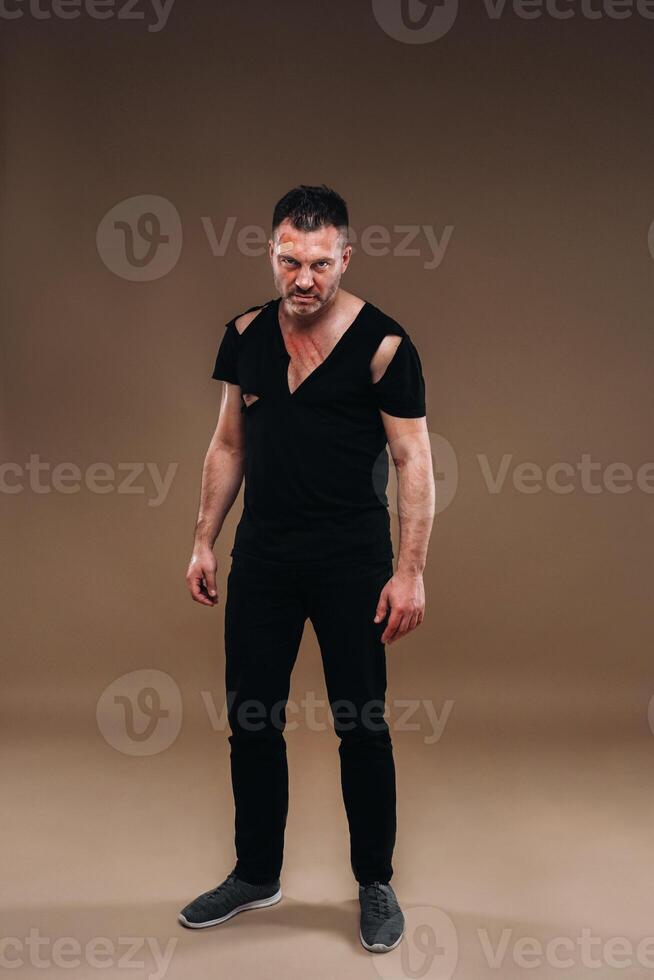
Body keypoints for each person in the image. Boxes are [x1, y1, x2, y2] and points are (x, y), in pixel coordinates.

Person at [178, 184, 435, 953]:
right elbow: (229, 444)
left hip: (352, 559)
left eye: (320, 264)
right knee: (251, 720)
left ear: (345, 257)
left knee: (362, 724)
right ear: (271, 251)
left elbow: (412, 457)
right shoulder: (246, 334)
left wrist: (411, 571)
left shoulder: (385, 344)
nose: (303, 279)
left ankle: (376, 882)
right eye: (290, 260)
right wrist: (203, 541)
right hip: (263, 556)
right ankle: (257, 873)